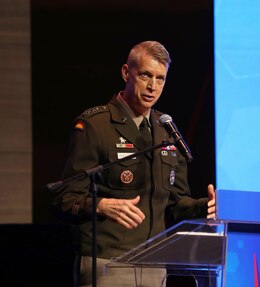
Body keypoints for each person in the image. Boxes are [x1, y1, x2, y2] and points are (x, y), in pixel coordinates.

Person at [53, 40, 216, 287]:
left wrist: (206, 208)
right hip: (108, 263)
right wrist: (102, 206)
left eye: (160, 79)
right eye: (145, 75)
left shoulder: (166, 130)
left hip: (154, 264)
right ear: (126, 73)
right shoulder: (95, 126)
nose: (152, 86)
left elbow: (174, 205)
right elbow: (64, 200)